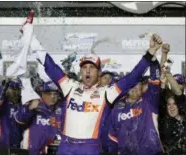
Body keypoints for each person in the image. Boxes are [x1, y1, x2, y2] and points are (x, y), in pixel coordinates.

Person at [20, 10, 162, 155]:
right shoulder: (70, 86)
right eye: (84, 67)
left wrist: (150, 53)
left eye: (92, 68)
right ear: (80, 71)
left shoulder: (107, 93)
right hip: (66, 146)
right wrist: (30, 39)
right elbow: (49, 65)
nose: (87, 71)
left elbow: (132, 77)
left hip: (91, 147)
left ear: (99, 72)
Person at [108, 57, 163, 155]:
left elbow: (155, 79)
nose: (135, 89)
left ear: (142, 88)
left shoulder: (149, 101)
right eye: (132, 86)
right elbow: (113, 136)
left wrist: (154, 62)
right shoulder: (116, 108)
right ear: (126, 89)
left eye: (138, 86)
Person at [15, 81, 64, 155]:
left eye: (55, 93)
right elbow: (19, 120)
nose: (52, 96)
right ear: (42, 93)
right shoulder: (35, 104)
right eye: (49, 93)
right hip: (32, 150)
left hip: (54, 150)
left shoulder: (61, 108)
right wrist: (29, 108)